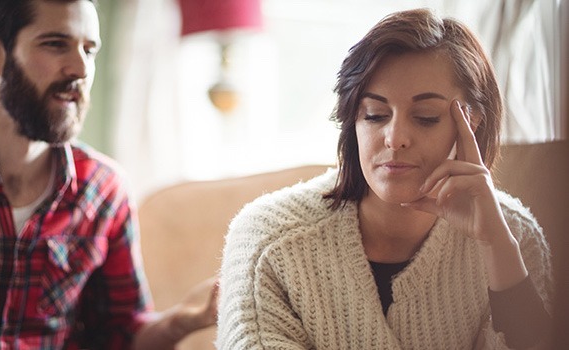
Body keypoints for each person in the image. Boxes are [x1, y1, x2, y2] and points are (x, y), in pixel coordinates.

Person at [0, 0, 217, 349]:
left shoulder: (105, 190)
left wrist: (182, 321)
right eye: (55, 44)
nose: (81, 68)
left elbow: (122, 336)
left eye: (89, 49)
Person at [216, 8, 552, 350]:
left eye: (425, 117)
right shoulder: (267, 243)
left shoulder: (514, 239)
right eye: (375, 115)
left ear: (472, 121)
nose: (395, 138)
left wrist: (499, 248)